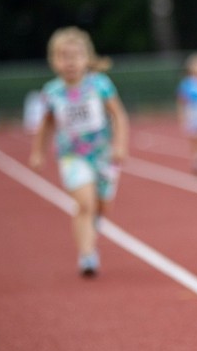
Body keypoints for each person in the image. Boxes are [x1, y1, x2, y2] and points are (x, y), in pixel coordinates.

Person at [29, 26, 129, 277]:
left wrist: (120, 144)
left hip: (103, 154)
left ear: (87, 58)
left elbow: (118, 115)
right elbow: (46, 124)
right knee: (84, 203)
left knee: (102, 206)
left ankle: (91, 227)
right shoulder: (52, 92)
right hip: (72, 155)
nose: (70, 62)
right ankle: (87, 255)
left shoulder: (100, 84)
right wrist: (38, 151)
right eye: (64, 56)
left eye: (76, 56)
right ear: (54, 60)